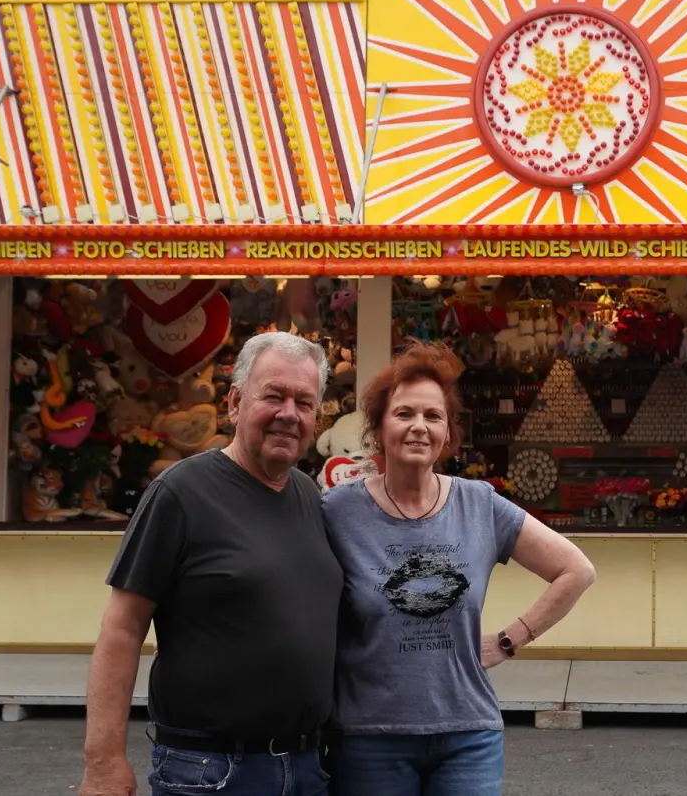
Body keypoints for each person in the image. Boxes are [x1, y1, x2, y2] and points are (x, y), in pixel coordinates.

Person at [321, 342, 597, 795]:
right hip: (369, 738)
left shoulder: (479, 505)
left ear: (448, 433)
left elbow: (576, 569)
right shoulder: (337, 512)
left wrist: (510, 640)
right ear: (378, 426)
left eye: (433, 416)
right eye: (404, 413)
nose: (418, 427)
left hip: (467, 736)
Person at [80, 332, 343, 796]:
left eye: (304, 402)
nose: (289, 414)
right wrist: (103, 762)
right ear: (235, 403)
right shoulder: (181, 493)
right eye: (274, 396)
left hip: (306, 768)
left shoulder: (308, 494)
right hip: (211, 771)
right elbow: (121, 629)